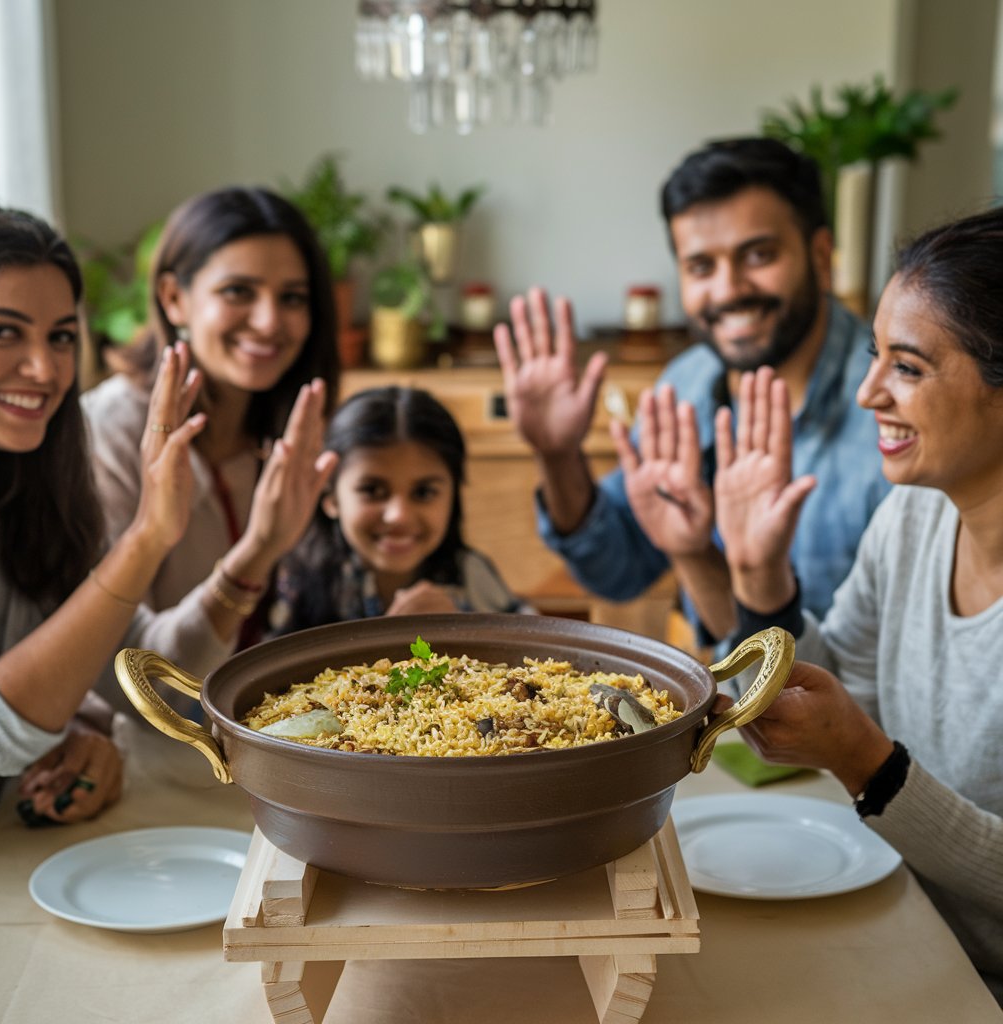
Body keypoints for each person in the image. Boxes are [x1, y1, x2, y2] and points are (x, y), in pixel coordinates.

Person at [694, 207, 1003, 1003]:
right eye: (874, 358)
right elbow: (848, 687)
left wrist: (868, 764)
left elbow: (860, 743)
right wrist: (762, 583)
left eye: (908, 367)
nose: (869, 393)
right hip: (900, 923)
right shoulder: (914, 514)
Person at [493, 137, 890, 645]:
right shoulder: (688, 382)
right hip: (741, 701)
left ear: (819, 254)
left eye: (759, 255)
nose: (727, 290)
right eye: (701, 266)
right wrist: (557, 456)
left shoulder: (891, 405)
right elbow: (617, 570)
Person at [0, 204, 213, 826]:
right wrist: (146, 537)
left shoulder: (24, 488)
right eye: (3, 331)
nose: (45, 368)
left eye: (59, 336)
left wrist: (87, 725)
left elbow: (124, 660)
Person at [82, 187, 340, 697]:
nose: (269, 322)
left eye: (292, 297)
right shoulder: (107, 432)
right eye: (238, 292)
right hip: (146, 746)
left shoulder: (294, 427)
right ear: (174, 298)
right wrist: (256, 555)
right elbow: (130, 682)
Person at [271, 386, 532, 632]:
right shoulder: (298, 578)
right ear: (331, 498)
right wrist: (389, 641)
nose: (399, 515)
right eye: (372, 491)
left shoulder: (471, 573)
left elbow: (536, 646)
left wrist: (464, 633)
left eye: (424, 493)